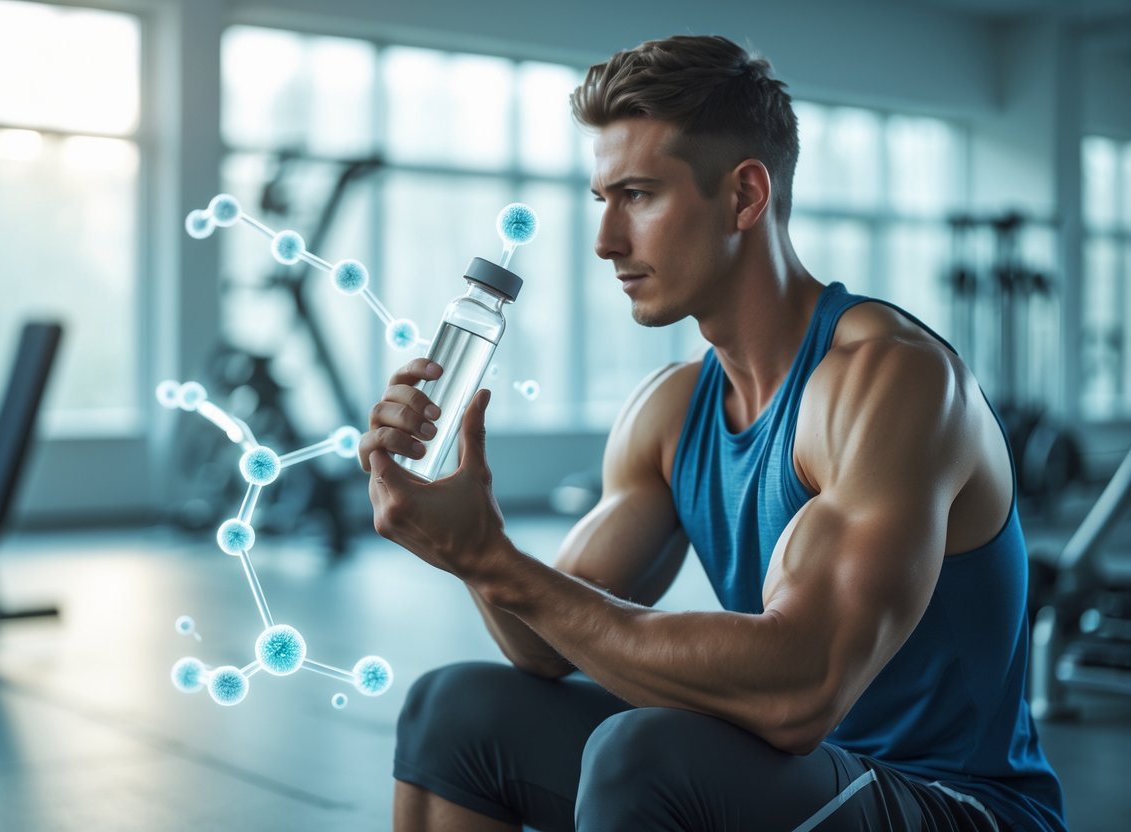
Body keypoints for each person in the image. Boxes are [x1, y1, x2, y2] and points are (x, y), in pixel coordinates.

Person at [358, 34, 1067, 832]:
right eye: (603, 201)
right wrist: (464, 544)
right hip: (800, 784)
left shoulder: (890, 380)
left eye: (639, 196)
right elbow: (545, 647)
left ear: (743, 197)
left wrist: (493, 561)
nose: (606, 241)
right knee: (453, 710)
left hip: (958, 807)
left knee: (645, 752)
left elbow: (799, 692)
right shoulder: (670, 411)